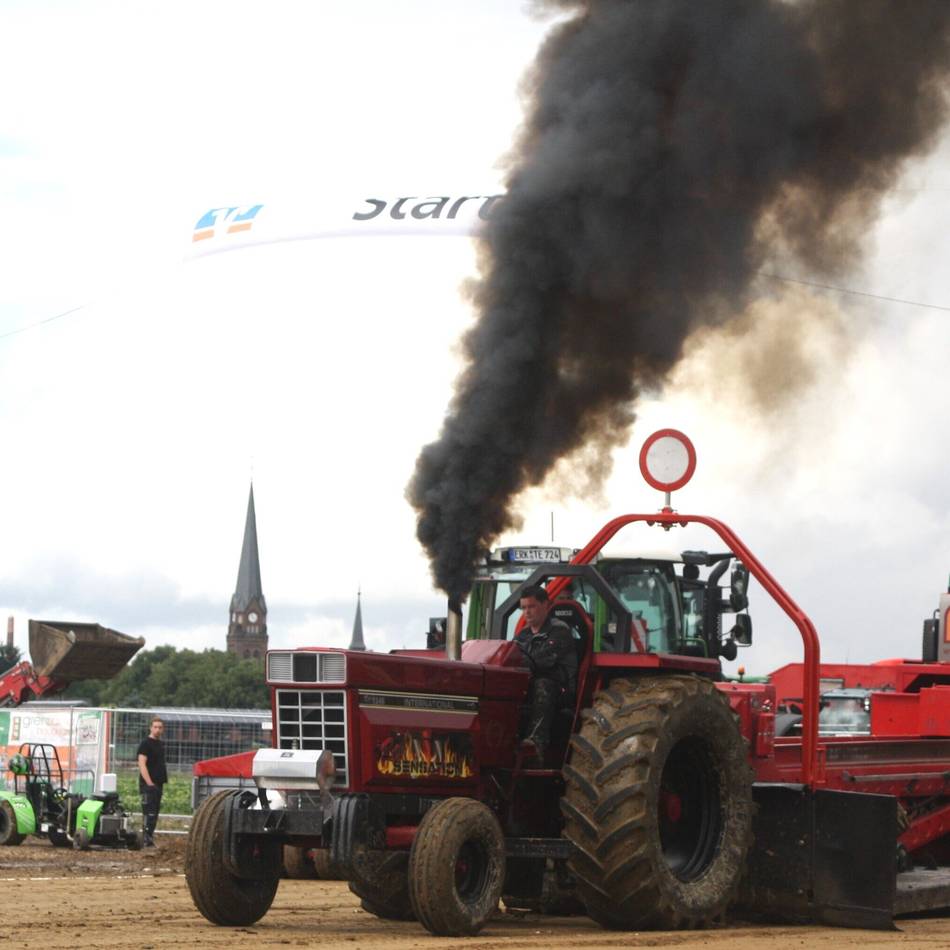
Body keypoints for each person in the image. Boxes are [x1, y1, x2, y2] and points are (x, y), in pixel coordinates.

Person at [514, 585, 578, 763]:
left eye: (531, 607)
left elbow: (540, 660)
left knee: (543, 684)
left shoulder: (559, 631)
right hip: (530, 684)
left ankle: (535, 744)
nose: (527, 612)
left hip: (561, 689)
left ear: (545, 605)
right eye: (524, 608)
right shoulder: (522, 636)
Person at [137, 716, 167, 848]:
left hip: (159, 784)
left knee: (155, 812)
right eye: (155, 727)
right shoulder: (145, 744)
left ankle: (149, 838)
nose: (158, 730)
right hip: (148, 785)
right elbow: (142, 764)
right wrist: (149, 783)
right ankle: (145, 838)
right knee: (148, 812)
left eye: (160, 727)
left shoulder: (160, 744)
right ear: (151, 728)